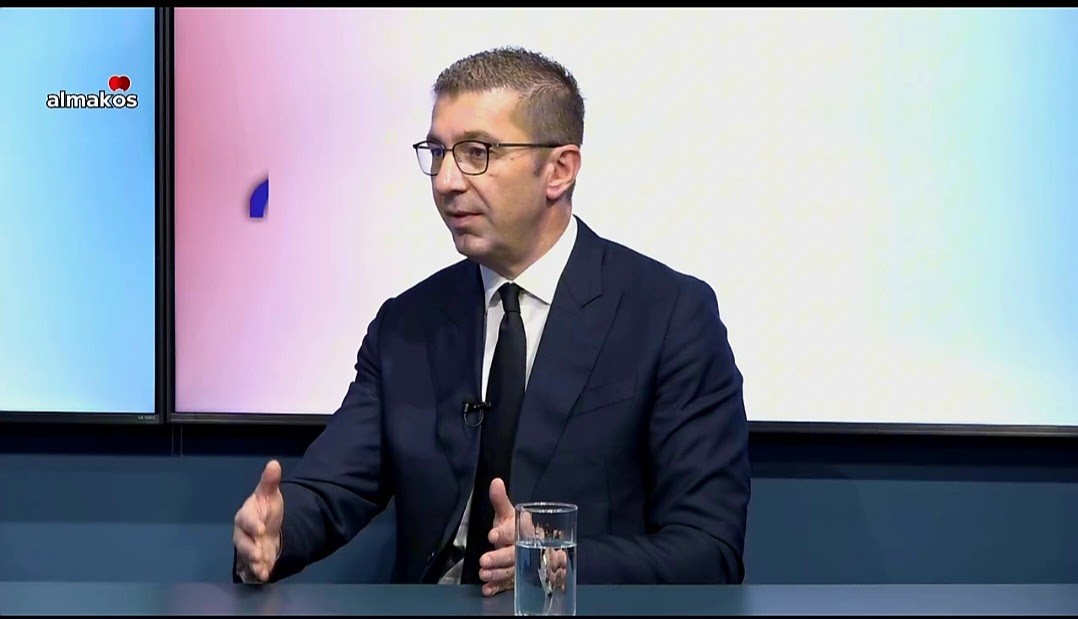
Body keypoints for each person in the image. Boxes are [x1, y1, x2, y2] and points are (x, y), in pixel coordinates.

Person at [232, 46, 751, 596]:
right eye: (438, 153)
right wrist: (278, 532)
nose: (446, 181)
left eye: (476, 153)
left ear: (559, 170)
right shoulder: (408, 323)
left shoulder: (669, 317)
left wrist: (561, 563)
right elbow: (335, 485)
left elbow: (709, 550)